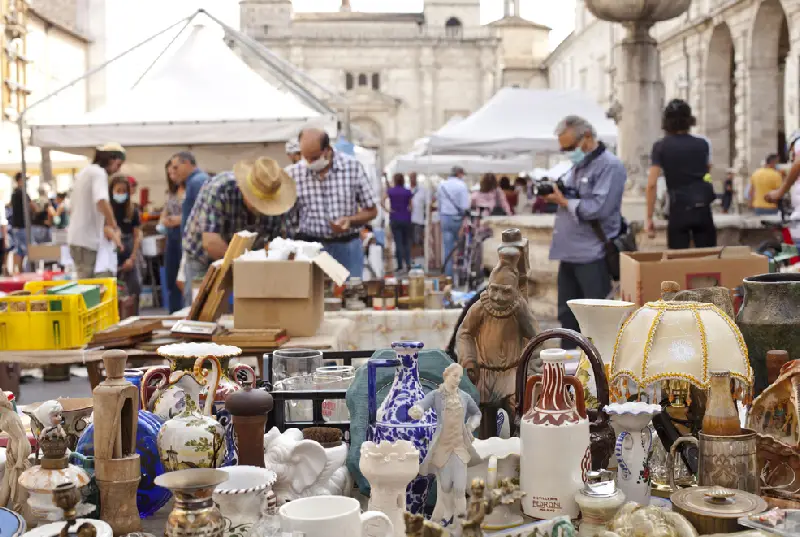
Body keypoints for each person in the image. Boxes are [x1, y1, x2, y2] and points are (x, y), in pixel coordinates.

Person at [545, 115, 626, 344]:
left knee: (596, 319)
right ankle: (570, 373)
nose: (568, 152)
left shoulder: (610, 166)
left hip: (593, 254)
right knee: (567, 317)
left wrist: (565, 202)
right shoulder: (577, 166)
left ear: (587, 137)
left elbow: (599, 208)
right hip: (569, 253)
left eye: (570, 147)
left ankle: (598, 374)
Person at [182, 157, 296, 305]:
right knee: (200, 311)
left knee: (250, 311)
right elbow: (211, 242)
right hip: (204, 259)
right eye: (258, 203)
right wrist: (247, 266)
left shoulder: (282, 198)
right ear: (244, 190)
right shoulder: (219, 188)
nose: (261, 209)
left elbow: (282, 242)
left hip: (249, 261)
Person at [288, 128, 378, 277]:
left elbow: (372, 211)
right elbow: (288, 219)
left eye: (314, 157)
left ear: (328, 150)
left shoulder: (352, 168)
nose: (309, 162)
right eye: (306, 157)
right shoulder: (293, 174)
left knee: (350, 294)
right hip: (311, 249)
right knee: (313, 297)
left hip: (347, 247)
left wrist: (350, 220)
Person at [408, 363, 481, 527]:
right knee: (445, 487)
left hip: (460, 448)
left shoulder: (464, 397)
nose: (458, 380)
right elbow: (422, 404)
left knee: (460, 488)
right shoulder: (436, 395)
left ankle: (461, 521)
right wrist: (417, 410)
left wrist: (471, 425)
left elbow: (476, 413)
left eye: (460, 377)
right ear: (445, 375)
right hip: (443, 448)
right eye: (455, 376)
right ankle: (445, 516)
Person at [646, 99, 716, 249]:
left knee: (678, 263)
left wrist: (649, 218)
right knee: (709, 261)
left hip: (678, 209)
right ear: (689, 120)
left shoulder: (660, 146)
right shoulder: (703, 143)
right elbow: (707, 173)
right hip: (703, 208)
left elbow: (651, 184)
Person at [67, 143, 125, 278]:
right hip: (86, 240)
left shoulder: (85, 172)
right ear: (111, 159)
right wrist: (113, 225)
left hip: (78, 239)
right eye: (118, 165)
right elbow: (101, 201)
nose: (117, 170)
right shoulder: (99, 173)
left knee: (85, 284)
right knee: (87, 289)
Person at [109, 175, 142, 315]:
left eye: (124, 191)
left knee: (135, 287)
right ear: (111, 191)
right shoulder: (107, 210)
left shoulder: (132, 210)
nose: (121, 194)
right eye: (118, 190)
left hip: (129, 251)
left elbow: (137, 235)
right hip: (111, 251)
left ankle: (134, 317)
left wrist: (132, 258)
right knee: (113, 291)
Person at [160, 162, 184, 313]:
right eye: (169, 174)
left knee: (184, 277)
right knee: (172, 277)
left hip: (184, 235)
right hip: (172, 236)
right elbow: (166, 210)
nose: (172, 176)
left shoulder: (192, 189)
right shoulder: (172, 192)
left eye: (174, 173)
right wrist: (164, 219)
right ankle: (174, 312)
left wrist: (179, 219)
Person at [437, 166, 470, 277]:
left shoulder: (442, 185)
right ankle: (461, 275)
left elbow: (439, 205)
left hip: (445, 217)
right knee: (462, 248)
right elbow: (465, 205)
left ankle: (449, 276)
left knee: (448, 248)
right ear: (459, 173)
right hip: (458, 218)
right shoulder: (462, 185)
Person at [168, 151, 209, 235]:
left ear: (186, 163)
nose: (174, 172)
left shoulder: (196, 182)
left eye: (176, 168)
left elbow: (204, 214)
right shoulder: (195, 180)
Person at [383, 173, 414, 272]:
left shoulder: (391, 191)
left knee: (398, 242)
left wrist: (388, 210)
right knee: (407, 242)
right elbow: (411, 206)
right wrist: (408, 211)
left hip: (395, 218)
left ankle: (400, 265)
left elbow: (381, 200)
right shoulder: (407, 191)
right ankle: (408, 263)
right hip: (406, 218)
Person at [9, 173, 35, 273]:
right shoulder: (22, 193)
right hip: (23, 226)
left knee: (19, 250)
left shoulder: (14, 193)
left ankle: (18, 271)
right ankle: (22, 271)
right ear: (20, 180)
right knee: (26, 250)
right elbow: (33, 207)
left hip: (16, 225)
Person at [410, 172, 428, 256]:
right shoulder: (407, 189)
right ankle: (412, 256)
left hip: (418, 218)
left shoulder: (422, 190)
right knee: (411, 240)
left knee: (417, 239)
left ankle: (417, 256)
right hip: (408, 219)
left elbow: (427, 204)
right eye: (411, 177)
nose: (412, 179)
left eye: (414, 177)